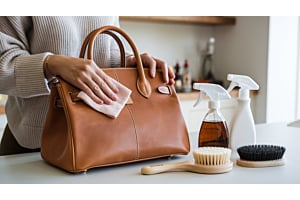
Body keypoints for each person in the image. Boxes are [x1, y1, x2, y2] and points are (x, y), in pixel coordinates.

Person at [0, 16, 175, 156]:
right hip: (36, 144)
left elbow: (106, 49)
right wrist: (51, 63)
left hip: (101, 139)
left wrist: (129, 61)